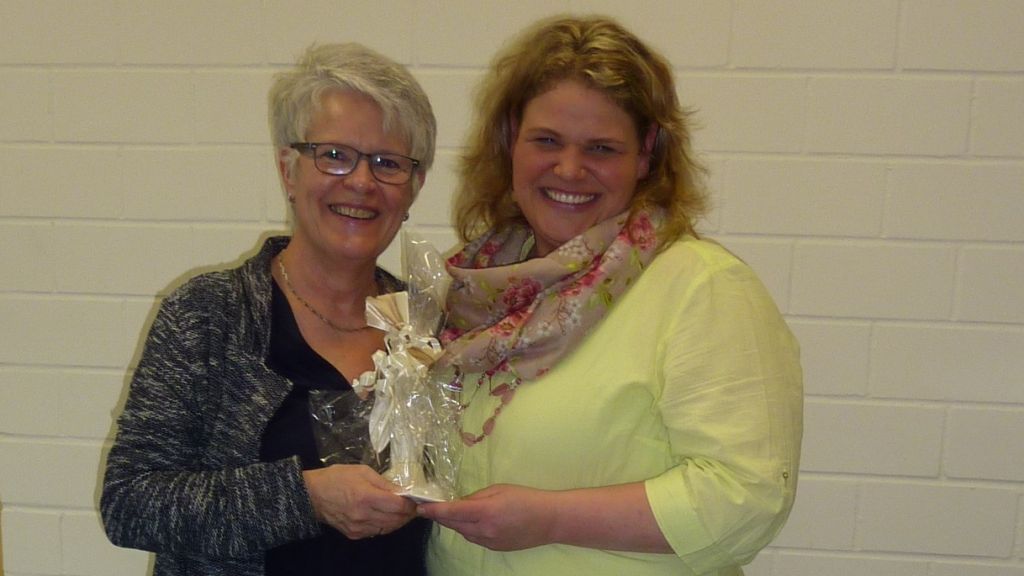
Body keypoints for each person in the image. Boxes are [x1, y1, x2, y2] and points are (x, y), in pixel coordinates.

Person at [418, 15, 803, 576]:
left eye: (601, 147)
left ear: (646, 153)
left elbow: (747, 497)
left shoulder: (703, 287)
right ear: (510, 142)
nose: (569, 169)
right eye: (546, 141)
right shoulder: (477, 290)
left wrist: (551, 519)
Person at [101, 42, 437, 576]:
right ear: (288, 171)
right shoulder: (206, 316)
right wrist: (306, 498)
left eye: (388, 163)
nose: (361, 181)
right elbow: (130, 502)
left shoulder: (431, 329)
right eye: (334, 155)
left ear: (414, 188)